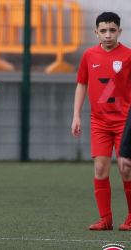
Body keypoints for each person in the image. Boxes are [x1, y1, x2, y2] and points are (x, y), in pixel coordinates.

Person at [71, 12, 131, 231]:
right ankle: (105, 219)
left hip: (125, 122)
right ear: (96, 32)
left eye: (112, 30)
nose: (108, 35)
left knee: (126, 168)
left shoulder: (128, 56)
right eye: (103, 31)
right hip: (99, 122)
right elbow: (81, 84)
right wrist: (76, 115)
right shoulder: (88, 55)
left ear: (119, 31)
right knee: (100, 168)